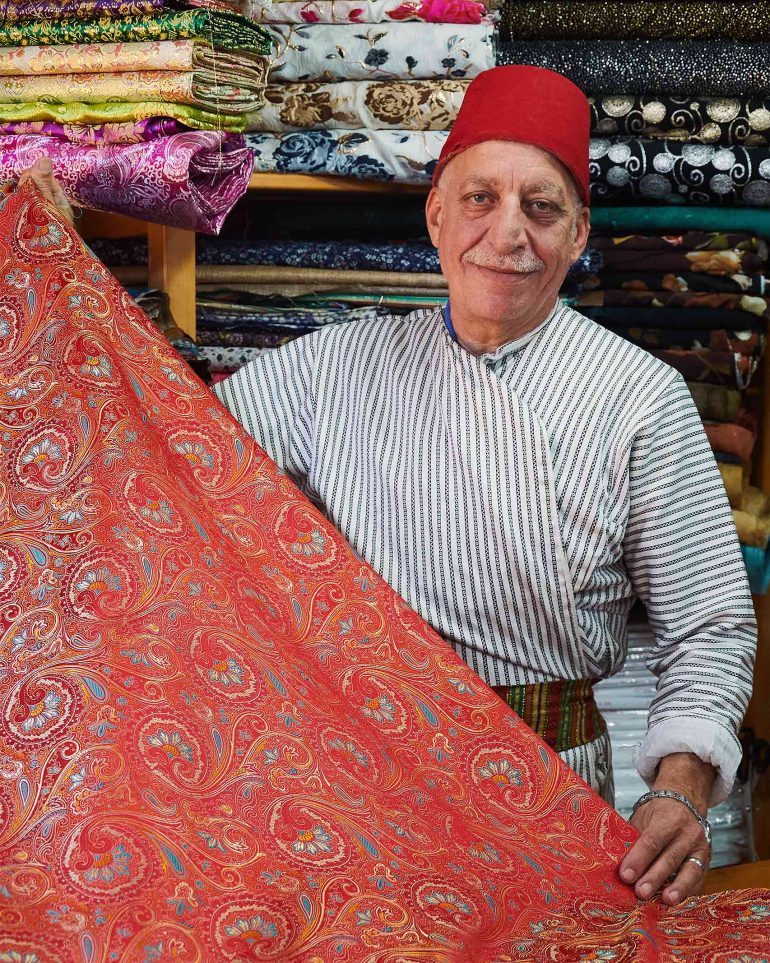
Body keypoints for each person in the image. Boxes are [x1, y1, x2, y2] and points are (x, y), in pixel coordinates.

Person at [22, 66, 756, 910]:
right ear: (435, 213)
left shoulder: (640, 400)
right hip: (357, 793)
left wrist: (681, 786)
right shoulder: (331, 367)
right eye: (480, 198)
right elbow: (169, 468)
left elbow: (709, 626)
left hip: (552, 794)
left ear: (580, 231)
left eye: (541, 206)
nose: (508, 232)